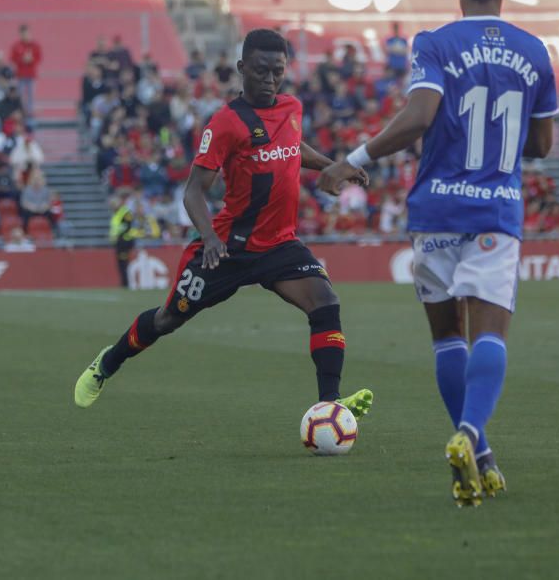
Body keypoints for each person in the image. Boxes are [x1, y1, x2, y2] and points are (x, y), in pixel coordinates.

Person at [318, 0, 558, 507]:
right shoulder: (535, 52)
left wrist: (352, 160)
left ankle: (481, 453)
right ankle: (472, 433)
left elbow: (420, 116)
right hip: (495, 210)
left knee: (447, 337)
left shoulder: (435, 44)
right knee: (490, 334)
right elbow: (543, 144)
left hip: (434, 210)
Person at [73, 28, 375, 420]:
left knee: (326, 302)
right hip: (228, 249)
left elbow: (291, 147)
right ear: (241, 68)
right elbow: (194, 192)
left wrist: (337, 166)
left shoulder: (291, 108)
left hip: (280, 245)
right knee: (168, 319)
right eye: (261, 70)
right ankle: (108, 363)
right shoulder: (225, 123)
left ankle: (329, 405)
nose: (269, 79)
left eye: (277, 71)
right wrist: (212, 239)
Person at [9, 24, 42, 117]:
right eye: (23, 34)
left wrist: (31, 59)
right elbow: (12, 58)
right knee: (20, 95)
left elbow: (39, 57)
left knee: (31, 95)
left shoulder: (34, 45)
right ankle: (20, 111)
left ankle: (30, 113)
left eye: (26, 33)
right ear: (20, 34)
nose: (25, 35)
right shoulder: (16, 46)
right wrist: (22, 59)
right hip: (20, 75)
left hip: (31, 74)